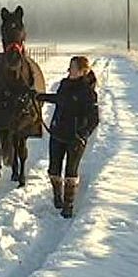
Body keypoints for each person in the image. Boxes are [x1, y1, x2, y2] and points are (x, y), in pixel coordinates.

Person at [37, 56, 100, 218]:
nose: (69, 70)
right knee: (53, 169)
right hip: (57, 133)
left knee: (71, 171)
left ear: (81, 71)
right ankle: (57, 197)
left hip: (75, 138)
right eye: (70, 66)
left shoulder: (88, 92)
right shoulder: (64, 85)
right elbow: (58, 100)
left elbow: (94, 119)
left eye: (72, 67)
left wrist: (83, 134)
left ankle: (68, 204)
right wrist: (39, 96)